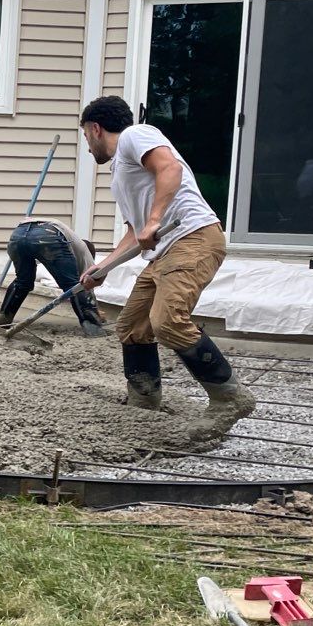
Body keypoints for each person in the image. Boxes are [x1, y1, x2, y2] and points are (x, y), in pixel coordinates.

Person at [74, 96, 256, 424]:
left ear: (96, 129)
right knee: (132, 326)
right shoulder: (121, 173)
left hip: (193, 237)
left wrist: (156, 219)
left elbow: (169, 167)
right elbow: (136, 233)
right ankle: (144, 403)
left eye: (86, 136)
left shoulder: (135, 135)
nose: (87, 146)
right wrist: (104, 267)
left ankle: (230, 397)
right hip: (163, 253)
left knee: (168, 321)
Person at [0, 215, 106, 335]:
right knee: (73, 285)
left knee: (22, 282)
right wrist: (96, 312)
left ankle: (2, 320)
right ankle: (94, 329)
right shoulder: (85, 252)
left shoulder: (71, 242)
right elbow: (85, 284)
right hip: (48, 234)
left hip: (18, 234)